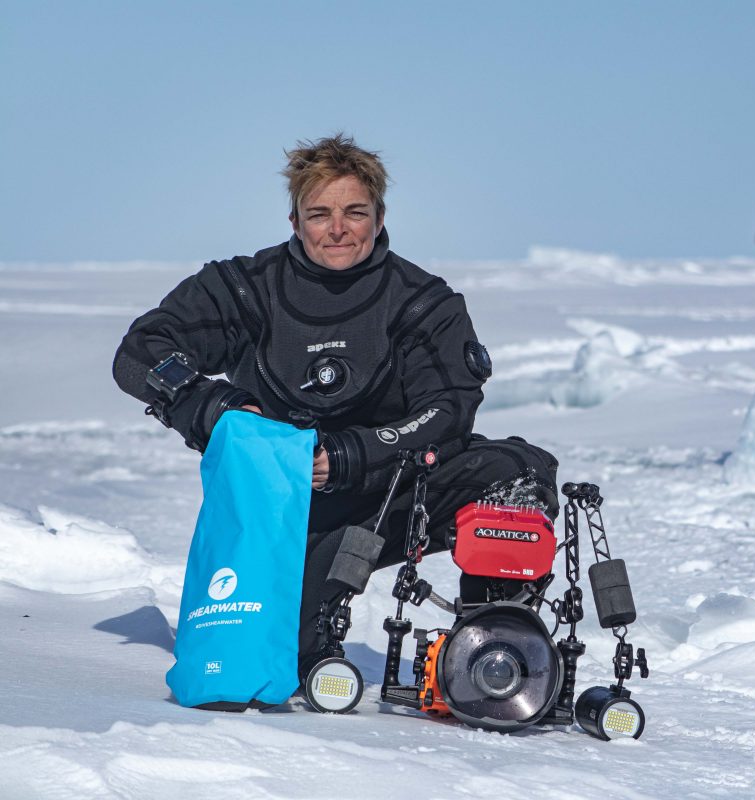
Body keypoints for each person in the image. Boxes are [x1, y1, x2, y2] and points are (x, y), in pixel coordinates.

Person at [113, 134, 559, 676]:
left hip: (391, 491)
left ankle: (492, 652)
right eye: (319, 213)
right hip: (283, 512)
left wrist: (349, 456)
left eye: (355, 212)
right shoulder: (245, 289)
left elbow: (448, 411)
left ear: (379, 215)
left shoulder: (422, 301)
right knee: (278, 661)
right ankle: (306, 628)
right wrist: (217, 408)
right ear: (294, 220)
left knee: (515, 471)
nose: (338, 228)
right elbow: (141, 354)